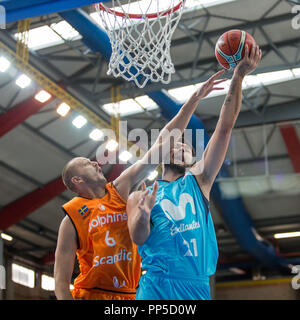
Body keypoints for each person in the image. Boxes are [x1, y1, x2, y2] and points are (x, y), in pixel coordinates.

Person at [54, 70, 226, 300]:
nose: (95, 162)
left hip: (130, 294)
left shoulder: (119, 189)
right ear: (77, 180)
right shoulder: (72, 218)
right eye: (86, 163)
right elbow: (60, 277)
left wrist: (193, 101)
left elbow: (162, 144)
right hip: (91, 294)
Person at [126, 44, 262, 300]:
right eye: (175, 144)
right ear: (163, 154)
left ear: (191, 158)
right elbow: (138, 237)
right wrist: (143, 217)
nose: (179, 147)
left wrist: (238, 76)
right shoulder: (140, 195)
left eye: (185, 146)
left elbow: (225, 127)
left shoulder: (200, 181)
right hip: (156, 286)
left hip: (197, 286)